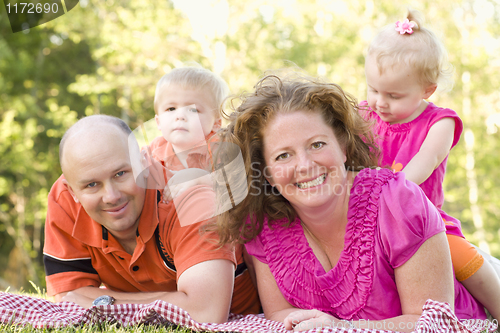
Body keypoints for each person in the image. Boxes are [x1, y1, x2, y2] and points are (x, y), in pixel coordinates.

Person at [215, 72, 487, 332]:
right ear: (267, 172)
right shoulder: (265, 224)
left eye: (317, 144)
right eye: (283, 156)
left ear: (342, 147)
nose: (306, 165)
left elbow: (432, 323)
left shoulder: (397, 202)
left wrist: (344, 329)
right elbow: (279, 315)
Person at [43, 115, 260, 324]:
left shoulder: (190, 196)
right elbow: (68, 297)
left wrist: (104, 302)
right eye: (91, 185)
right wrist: (181, 301)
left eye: (120, 174)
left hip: (244, 315)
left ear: (144, 162)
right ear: (72, 191)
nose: (111, 197)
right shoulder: (64, 200)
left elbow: (206, 311)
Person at [362, 9, 500, 321]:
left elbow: (421, 167)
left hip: (425, 220)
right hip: (369, 217)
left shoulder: (440, 123)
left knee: (463, 258)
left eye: (393, 95)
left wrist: (385, 191)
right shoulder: (363, 116)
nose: (379, 102)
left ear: (428, 90)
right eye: (372, 89)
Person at [149, 66, 227, 202]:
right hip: (166, 221)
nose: (180, 116)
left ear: (216, 123)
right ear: (158, 121)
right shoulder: (154, 150)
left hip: (209, 219)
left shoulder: (220, 148)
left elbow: (239, 180)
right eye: (171, 108)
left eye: (193, 110)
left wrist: (201, 178)